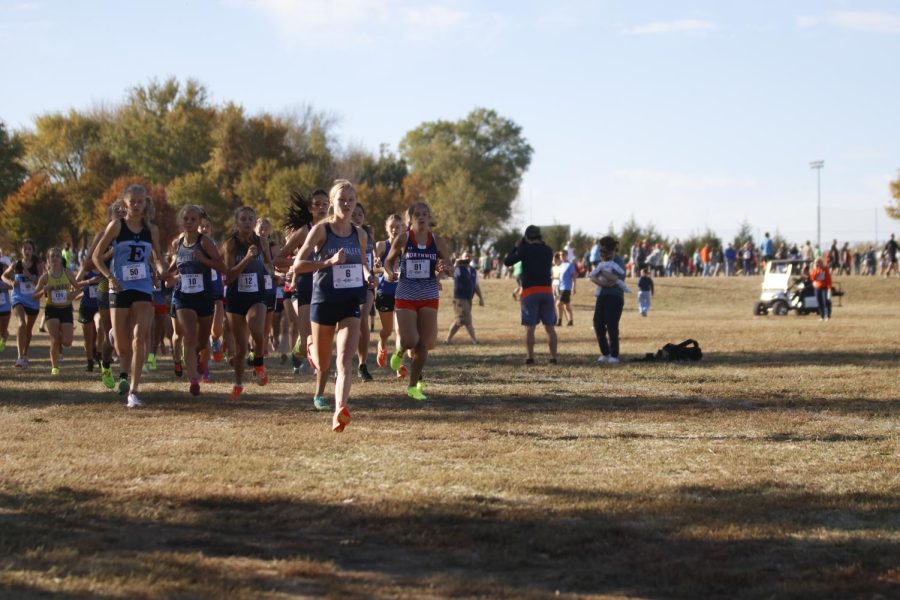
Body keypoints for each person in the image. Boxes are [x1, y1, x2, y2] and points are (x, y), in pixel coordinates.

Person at [292, 179, 371, 431]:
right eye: (342, 200)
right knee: (324, 363)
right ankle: (310, 344)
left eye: (351, 200)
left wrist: (369, 275)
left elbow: (360, 264)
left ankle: (340, 409)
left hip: (349, 301)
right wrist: (328, 263)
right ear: (333, 203)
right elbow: (298, 265)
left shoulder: (360, 234)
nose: (347, 204)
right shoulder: (321, 231)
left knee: (345, 360)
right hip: (323, 301)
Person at [91, 184, 165, 407]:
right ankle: (115, 339)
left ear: (145, 204)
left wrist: (161, 271)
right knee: (122, 346)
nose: (135, 205)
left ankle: (133, 390)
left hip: (143, 287)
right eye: (131, 201)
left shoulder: (151, 230)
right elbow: (96, 257)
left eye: (139, 201)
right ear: (124, 203)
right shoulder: (116, 226)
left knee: (140, 336)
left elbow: (157, 257)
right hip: (120, 287)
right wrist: (110, 277)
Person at [383, 201, 453, 399]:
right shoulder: (403, 239)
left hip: (429, 293)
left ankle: (413, 386)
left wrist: (445, 269)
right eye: (417, 215)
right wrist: (389, 273)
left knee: (424, 343)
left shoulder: (437, 241)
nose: (421, 218)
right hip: (406, 292)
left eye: (425, 214)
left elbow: (450, 267)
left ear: (429, 218)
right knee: (410, 340)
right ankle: (400, 352)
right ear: (410, 220)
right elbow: (388, 260)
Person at [169, 204, 226, 396]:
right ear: (181, 221)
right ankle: (193, 379)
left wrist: (203, 259)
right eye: (186, 219)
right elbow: (173, 265)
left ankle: (202, 361)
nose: (190, 223)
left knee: (202, 341)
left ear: (200, 222)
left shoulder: (205, 242)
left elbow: (219, 264)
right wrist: (161, 274)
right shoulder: (178, 243)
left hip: (204, 297)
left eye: (194, 219)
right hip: (183, 297)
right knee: (190, 336)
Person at [222, 206, 273, 400]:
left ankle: (259, 362)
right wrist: (246, 259)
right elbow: (229, 275)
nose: (247, 222)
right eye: (243, 219)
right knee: (241, 346)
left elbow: (268, 263)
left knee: (257, 329)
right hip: (236, 297)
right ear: (237, 222)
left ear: (255, 222)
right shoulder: (230, 244)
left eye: (251, 219)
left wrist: (271, 271)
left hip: (257, 295)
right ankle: (238, 383)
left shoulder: (262, 242)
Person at [502, 225, 557, 365]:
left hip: (530, 291)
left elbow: (507, 262)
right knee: (550, 327)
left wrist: (516, 247)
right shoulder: (548, 250)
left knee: (530, 327)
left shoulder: (524, 250)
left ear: (527, 237)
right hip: (547, 290)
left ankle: (530, 357)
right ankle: (553, 357)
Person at [31, 247, 78, 375]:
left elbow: (78, 288)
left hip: (66, 309)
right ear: (48, 260)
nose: (56, 258)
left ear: (61, 259)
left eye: (58, 256)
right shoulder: (45, 277)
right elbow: (34, 296)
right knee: (54, 340)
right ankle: (55, 367)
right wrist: (44, 290)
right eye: (53, 256)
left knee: (67, 342)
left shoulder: (68, 273)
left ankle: (61, 335)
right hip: (52, 309)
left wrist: (73, 295)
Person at [2, 239, 43, 370]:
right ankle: (19, 357)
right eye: (25, 248)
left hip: (32, 299)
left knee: (28, 331)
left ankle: (25, 354)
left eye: (29, 249)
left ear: (33, 251)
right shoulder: (16, 264)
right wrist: (10, 282)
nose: (27, 251)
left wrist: (31, 276)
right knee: (21, 323)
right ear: (21, 250)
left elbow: (42, 282)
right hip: (18, 297)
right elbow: (4, 275)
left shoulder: (38, 264)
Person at [373, 213, 404, 374]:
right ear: (387, 228)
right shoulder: (381, 246)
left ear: (402, 228)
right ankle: (382, 345)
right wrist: (383, 270)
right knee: (387, 331)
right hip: (385, 292)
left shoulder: (405, 247)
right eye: (391, 226)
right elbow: (373, 268)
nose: (394, 229)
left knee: (401, 331)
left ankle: (399, 364)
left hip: (402, 293)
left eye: (397, 227)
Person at [590, 236, 626, 364]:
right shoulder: (603, 262)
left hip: (615, 297)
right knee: (597, 324)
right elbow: (593, 277)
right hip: (602, 295)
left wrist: (601, 271)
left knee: (611, 325)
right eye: (600, 250)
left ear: (610, 249)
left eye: (603, 249)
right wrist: (602, 281)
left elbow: (615, 277)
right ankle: (605, 353)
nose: (601, 252)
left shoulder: (618, 261)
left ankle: (614, 355)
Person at [350, 202, 376, 381]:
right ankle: (344, 363)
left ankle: (362, 364)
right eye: (354, 214)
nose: (357, 217)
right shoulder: (342, 235)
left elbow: (370, 260)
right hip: (348, 283)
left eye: (360, 214)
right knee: (349, 324)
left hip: (366, 284)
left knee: (363, 319)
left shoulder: (368, 236)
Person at [445, 251, 483, 345]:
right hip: (460, 299)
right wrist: (456, 264)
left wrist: (481, 298)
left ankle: (447, 340)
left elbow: (476, 285)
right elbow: (450, 273)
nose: (467, 258)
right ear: (461, 257)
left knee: (459, 321)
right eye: (465, 256)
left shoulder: (473, 271)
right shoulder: (458, 268)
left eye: (469, 256)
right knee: (467, 320)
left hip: (468, 298)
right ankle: (474, 341)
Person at [74, 258, 102, 372]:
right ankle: (90, 362)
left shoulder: (104, 267)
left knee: (100, 326)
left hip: (100, 306)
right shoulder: (86, 268)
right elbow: (74, 283)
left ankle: (99, 354)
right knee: (89, 338)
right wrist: (89, 282)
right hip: (86, 306)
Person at [555, 251, 576, 326]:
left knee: (558, 304)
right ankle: (570, 321)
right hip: (560, 287)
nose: (561, 256)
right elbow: (561, 277)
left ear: (567, 255)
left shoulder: (570, 265)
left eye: (563, 255)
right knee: (566, 305)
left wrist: (573, 287)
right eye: (560, 255)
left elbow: (573, 277)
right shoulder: (561, 265)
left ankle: (559, 321)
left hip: (566, 288)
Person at [0, 251, 12, 353]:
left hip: (4, 305)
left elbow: (12, 284)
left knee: (3, 329)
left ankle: (3, 341)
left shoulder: (5, 267)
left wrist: (3, 285)